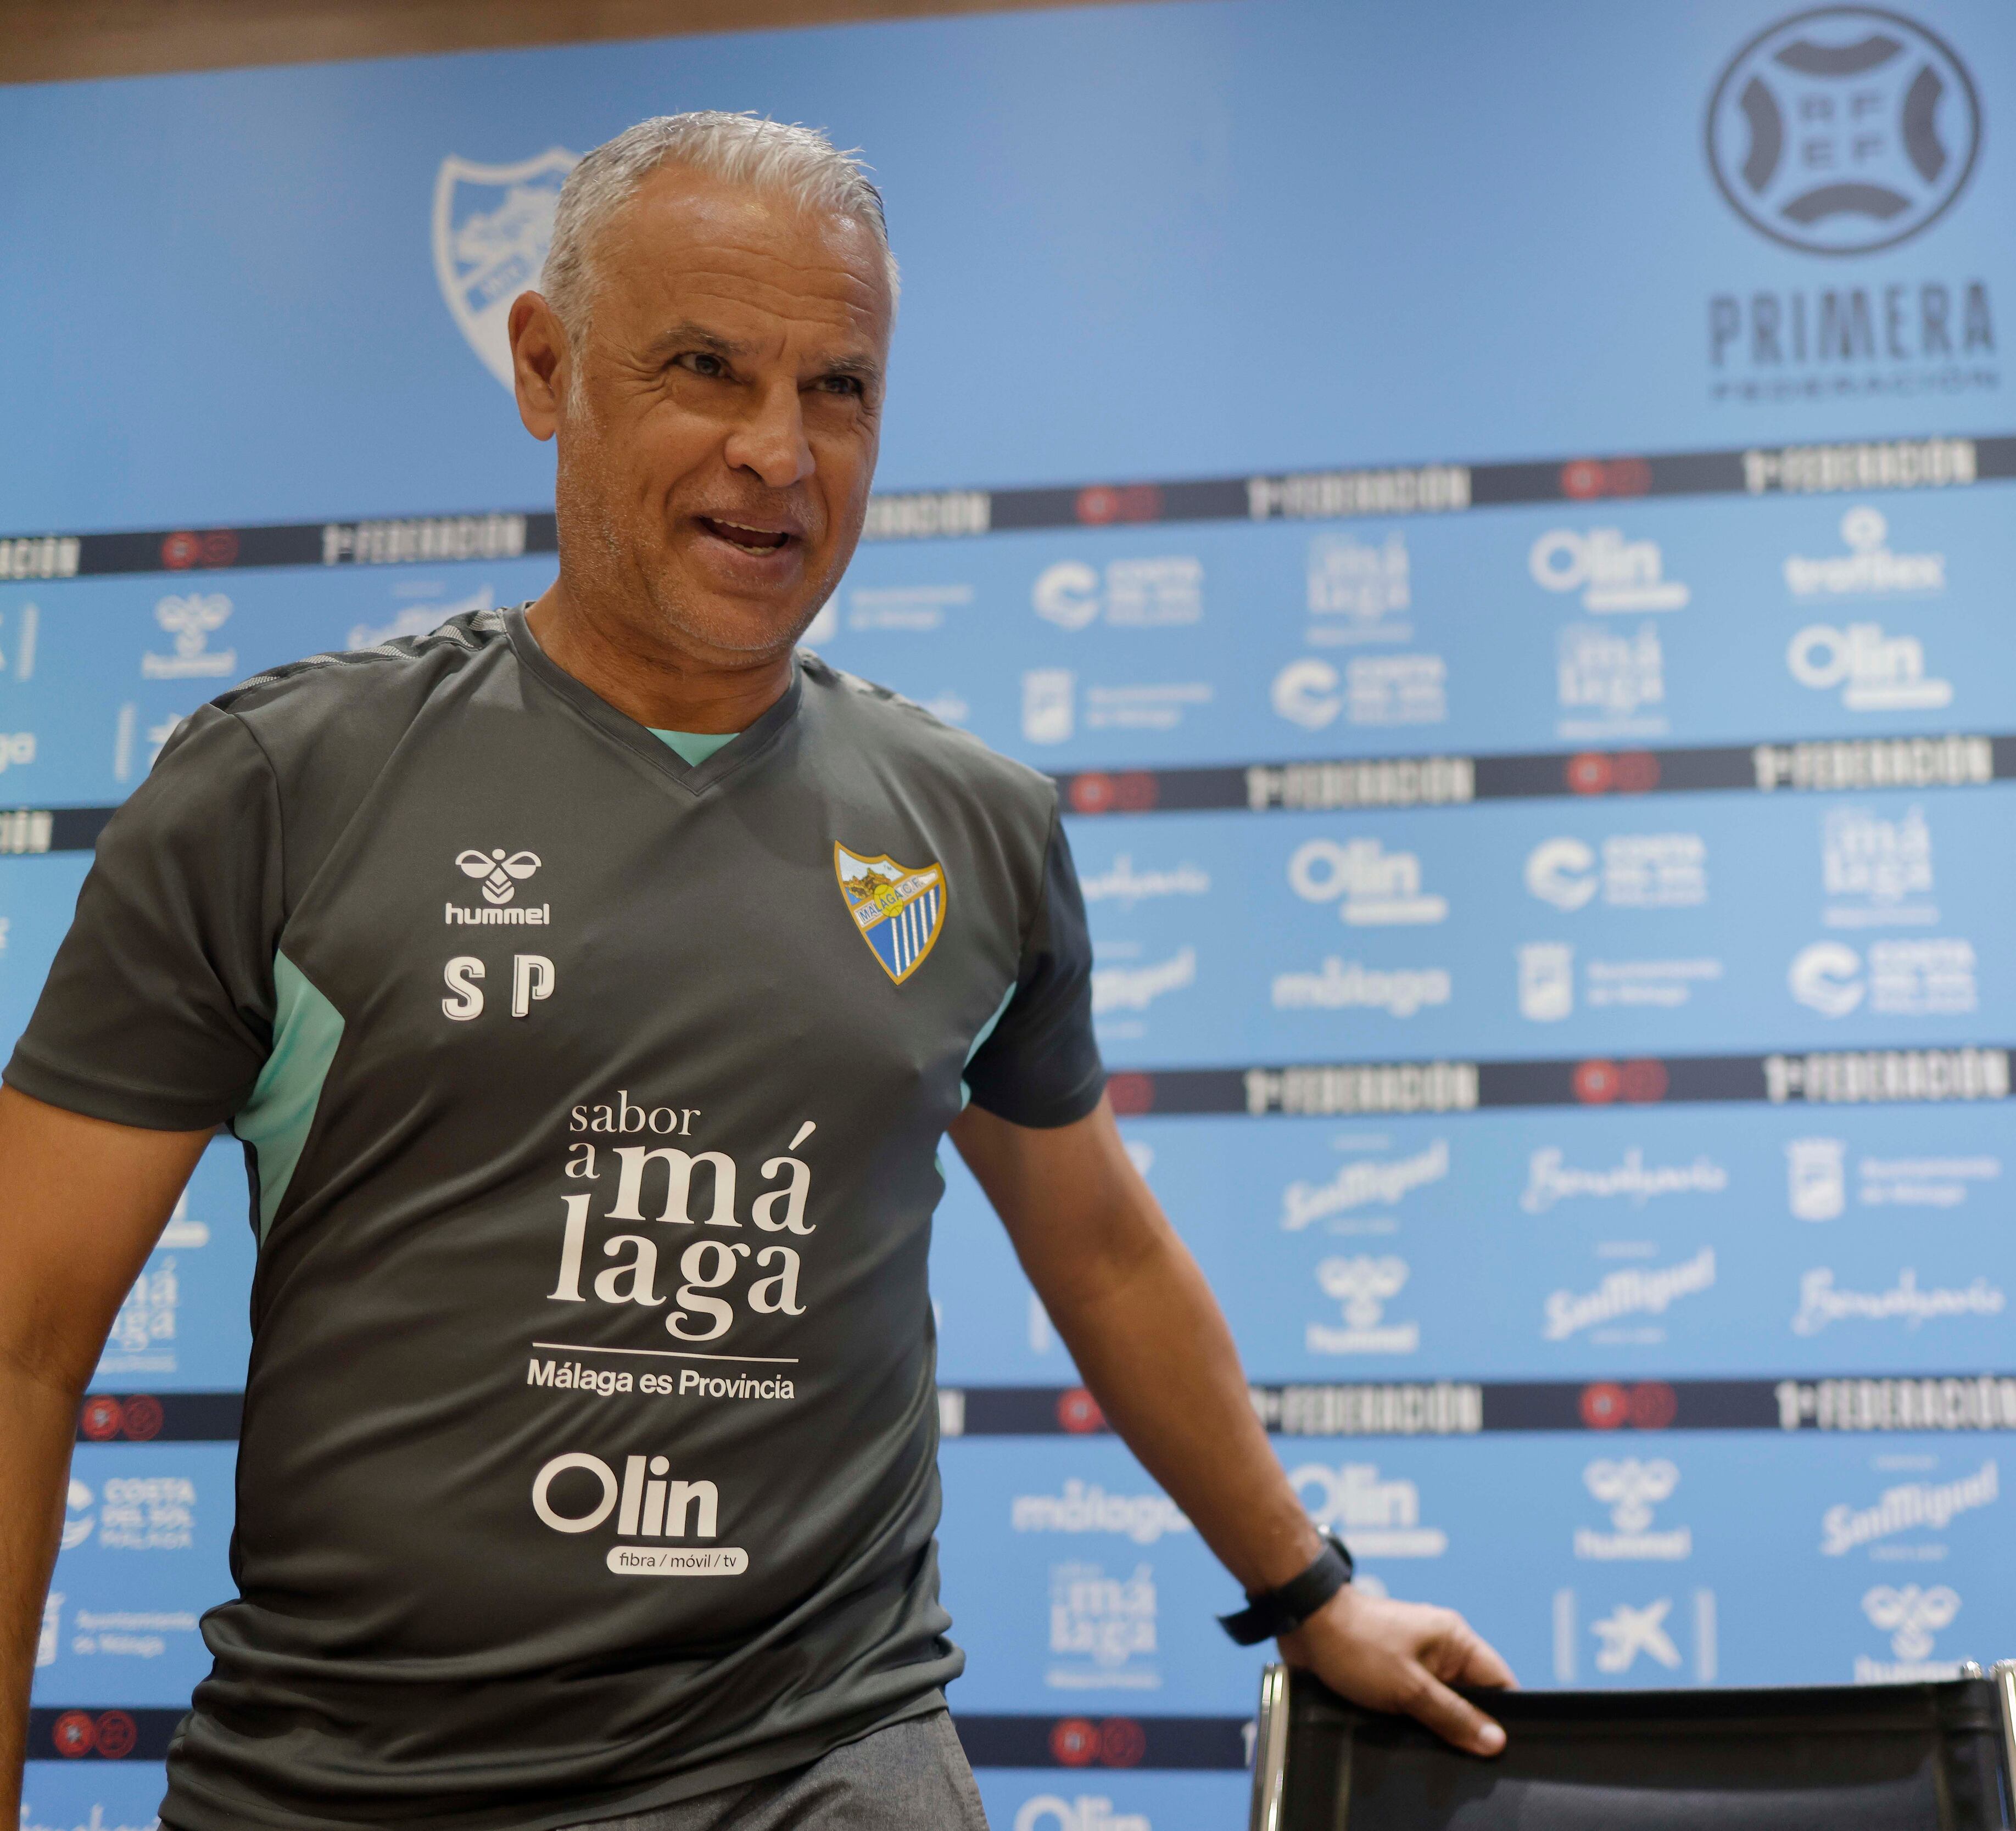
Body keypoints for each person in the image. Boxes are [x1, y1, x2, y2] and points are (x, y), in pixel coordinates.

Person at [0, 112, 1510, 1830]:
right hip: (351, 1786)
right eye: (705, 368)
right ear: (547, 370)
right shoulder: (282, 790)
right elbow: (23, 1334)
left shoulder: (974, 829)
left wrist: (1311, 1593)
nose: (778, 453)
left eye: (840, 389)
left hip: (830, 1770)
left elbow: (1101, 1247)